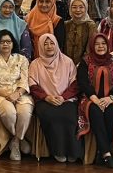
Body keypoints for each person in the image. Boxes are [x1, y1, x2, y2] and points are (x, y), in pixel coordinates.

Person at [28, 35, 82, 163]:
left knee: (69, 117)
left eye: (51, 43)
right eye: (45, 44)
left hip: (66, 99)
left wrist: (63, 97)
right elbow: (33, 86)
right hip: (45, 101)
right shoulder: (35, 64)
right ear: (40, 46)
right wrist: (46, 97)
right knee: (52, 117)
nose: (49, 47)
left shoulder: (68, 62)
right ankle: (58, 151)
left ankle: (73, 151)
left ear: (56, 44)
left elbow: (75, 84)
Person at [77, 33, 113, 167]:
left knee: (111, 112)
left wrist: (111, 98)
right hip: (90, 99)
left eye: (103, 43)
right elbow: (82, 82)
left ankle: (101, 151)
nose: (100, 46)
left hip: (112, 99)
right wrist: (95, 99)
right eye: (97, 44)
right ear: (92, 45)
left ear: (108, 45)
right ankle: (106, 153)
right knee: (95, 111)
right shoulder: (85, 61)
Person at [0, 30, 33, 160]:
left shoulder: (21, 59)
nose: (5, 44)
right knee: (10, 113)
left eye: (8, 41)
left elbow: (25, 80)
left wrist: (17, 94)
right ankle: (18, 139)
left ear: (13, 44)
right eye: (2, 42)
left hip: (19, 93)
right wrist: (7, 94)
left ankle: (16, 142)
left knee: (24, 113)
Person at [63, 0, 97, 65]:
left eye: (81, 7)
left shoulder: (90, 25)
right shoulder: (66, 24)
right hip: (65, 63)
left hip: (84, 64)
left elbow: (90, 47)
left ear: (86, 8)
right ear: (70, 8)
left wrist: (82, 63)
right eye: (74, 7)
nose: (78, 10)